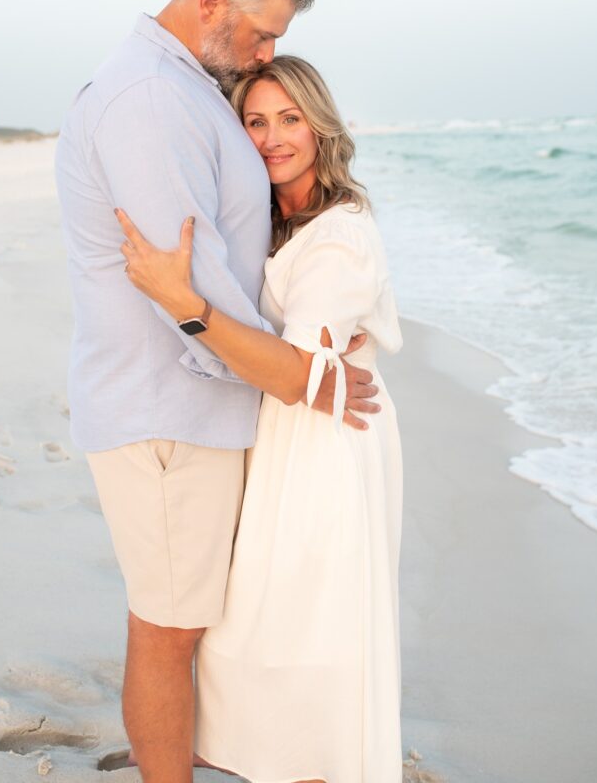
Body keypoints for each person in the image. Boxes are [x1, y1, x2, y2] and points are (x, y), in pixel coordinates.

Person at [54, 0, 381, 783]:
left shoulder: (185, 86)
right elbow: (185, 295)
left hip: (201, 408)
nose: (267, 51)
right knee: (169, 631)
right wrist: (306, 375)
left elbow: (232, 258)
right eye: (263, 32)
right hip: (172, 408)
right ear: (211, 2)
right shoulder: (151, 101)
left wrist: (310, 302)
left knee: (191, 622)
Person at [116, 55, 404, 783]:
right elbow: (289, 361)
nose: (273, 137)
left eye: (290, 119)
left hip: (324, 445)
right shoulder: (272, 219)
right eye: (255, 120)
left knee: (306, 629)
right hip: (282, 429)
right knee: (252, 626)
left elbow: (295, 375)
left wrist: (183, 304)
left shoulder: (339, 235)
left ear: (320, 126)